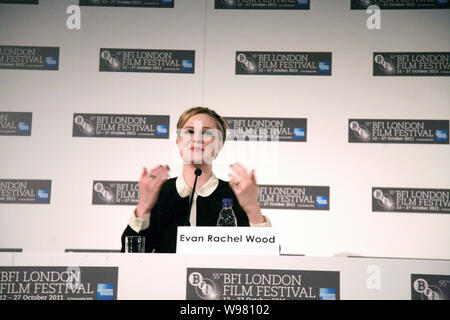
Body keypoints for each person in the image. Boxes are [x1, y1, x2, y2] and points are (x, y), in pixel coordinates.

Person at [121, 106, 271, 253]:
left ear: (220, 144)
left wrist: (252, 208)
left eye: (206, 133)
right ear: (178, 141)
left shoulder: (237, 194)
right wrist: (143, 207)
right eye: (190, 132)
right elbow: (130, 259)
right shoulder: (159, 192)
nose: (197, 139)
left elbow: (268, 259)